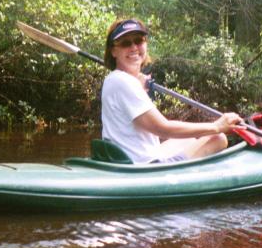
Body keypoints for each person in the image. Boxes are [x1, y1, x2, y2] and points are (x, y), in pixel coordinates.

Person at [101, 18, 243, 164]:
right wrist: (216, 126)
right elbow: (163, 129)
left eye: (138, 40)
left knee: (186, 141)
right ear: (113, 51)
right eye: (125, 43)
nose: (134, 47)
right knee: (218, 138)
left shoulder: (115, 80)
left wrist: (141, 89)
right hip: (145, 168)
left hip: (134, 158)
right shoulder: (124, 82)